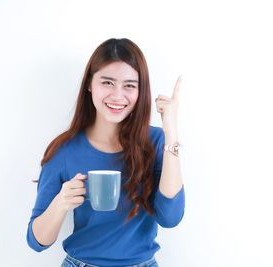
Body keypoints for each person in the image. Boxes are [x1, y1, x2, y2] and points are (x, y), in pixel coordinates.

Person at [26, 38, 185, 267]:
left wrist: (171, 134)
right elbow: (37, 241)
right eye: (108, 83)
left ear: (141, 91)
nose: (117, 95)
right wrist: (61, 202)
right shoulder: (64, 150)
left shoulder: (156, 141)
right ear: (90, 83)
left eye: (129, 85)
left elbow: (170, 218)